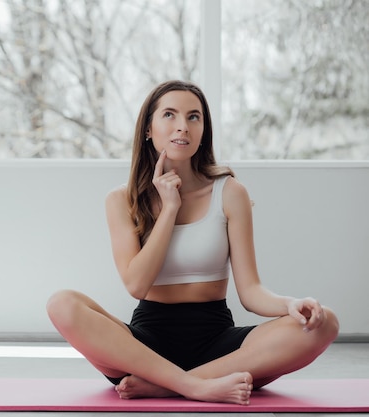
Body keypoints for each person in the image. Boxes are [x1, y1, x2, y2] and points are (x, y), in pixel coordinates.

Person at [46, 80, 339, 405]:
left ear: (203, 131)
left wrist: (289, 305)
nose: (182, 127)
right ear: (148, 128)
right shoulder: (121, 199)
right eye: (169, 115)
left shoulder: (230, 193)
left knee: (324, 323)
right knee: (62, 303)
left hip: (218, 343)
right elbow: (137, 284)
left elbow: (251, 291)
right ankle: (196, 385)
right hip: (144, 347)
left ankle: (168, 386)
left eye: (194, 117)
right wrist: (169, 208)